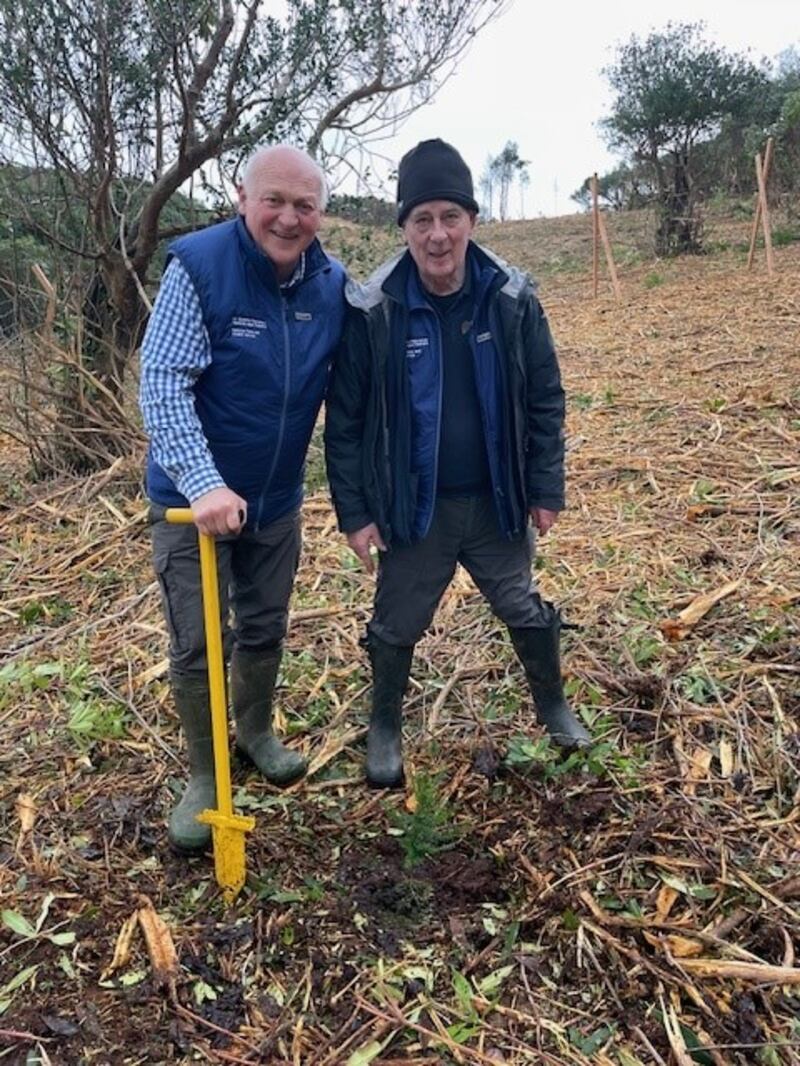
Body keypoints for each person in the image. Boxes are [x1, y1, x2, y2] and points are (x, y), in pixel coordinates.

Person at [325, 138, 590, 789]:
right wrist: (355, 514)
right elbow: (348, 421)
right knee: (396, 622)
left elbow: (545, 398)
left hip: (498, 501)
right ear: (405, 227)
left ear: (471, 219)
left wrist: (546, 486)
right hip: (417, 508)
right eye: (423, 219)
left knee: (523, 607)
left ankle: (553, 706)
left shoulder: (511, 298)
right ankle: (385, 725)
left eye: (450, 216)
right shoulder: (375, 309)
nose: (438, 235)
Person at [140, 144, 346, 850]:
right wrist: (203, 483)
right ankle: (206, 772)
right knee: (199, 641)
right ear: (241, 197)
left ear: (322, 212)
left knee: (265, 623)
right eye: (274, 201)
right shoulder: (199, 268)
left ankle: (255, 730)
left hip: (276, 500)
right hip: (190, 504)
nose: (289, 219)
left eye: (305, 206)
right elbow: (163, 383)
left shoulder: (330, 285)